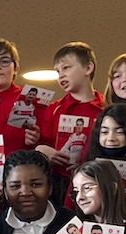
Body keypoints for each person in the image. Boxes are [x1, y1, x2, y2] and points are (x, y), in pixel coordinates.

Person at [40, 43, 104, 175]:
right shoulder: (53, 109)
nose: (61, 75)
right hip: (60, 180)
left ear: (88, 68)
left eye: (66, 68)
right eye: (57, 71)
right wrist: (42, 150)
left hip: (97, 178)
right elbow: (42, 143)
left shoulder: (107, 108)